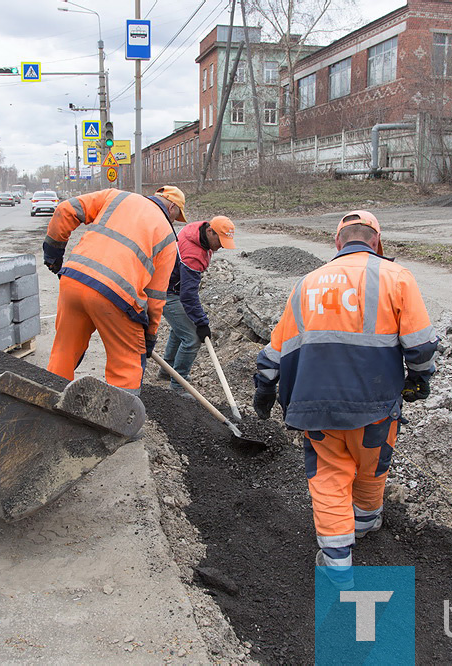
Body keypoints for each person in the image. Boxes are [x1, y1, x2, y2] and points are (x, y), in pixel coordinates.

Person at [252, 210, 437, 589]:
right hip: (376, 406)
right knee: (372, 467)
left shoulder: (307, 284)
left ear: (337, 243)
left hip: (316, 406)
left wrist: (264, 393)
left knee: (329, 477)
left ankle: (337, 563)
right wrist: (420, 381)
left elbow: (274, 353)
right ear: (376, 243)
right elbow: (420, 347)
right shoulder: (396, 277)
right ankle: (366, 523)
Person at [42, 186, 184, 394]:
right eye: (176, 216)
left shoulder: (115, 196)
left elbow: (65, 210)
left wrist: (53, 252)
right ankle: (117, 423)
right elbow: (155, 297)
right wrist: (149, 337)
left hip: (73, 280)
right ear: (171, 206)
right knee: (127, 363)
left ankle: (49, 399)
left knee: (64, 351)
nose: (174, 221)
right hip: (117, 296)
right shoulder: (168, 238)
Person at [158, 215, 236, 392]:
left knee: (179, 329)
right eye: (220, 241)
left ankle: (166, 370)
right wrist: (201, 323)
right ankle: (179, 384)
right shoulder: (194, 255)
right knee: (192, 338)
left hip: (169, 285)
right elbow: (188, 295)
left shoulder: (196, 230)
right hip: (167, 292)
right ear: (210, 231)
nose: (221, 246)